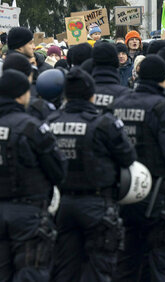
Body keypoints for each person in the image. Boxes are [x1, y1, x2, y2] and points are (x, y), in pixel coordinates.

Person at [49, 68, 136, 281]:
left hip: (62, 204)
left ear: (66, 95)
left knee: (65, 268)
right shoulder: (104, 123)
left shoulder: (51, 121)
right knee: (99, 267)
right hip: (97, 203)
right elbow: (128, 157)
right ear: (91, 94)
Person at [112, 55, 165, 281]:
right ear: (163, 79)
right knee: (163, 266)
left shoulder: (118, 104)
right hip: (158, 197)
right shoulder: (163, 107)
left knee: (127, 265)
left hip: (124, 196)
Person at [0, 69, 66, 281]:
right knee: (32, 271)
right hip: (28, 212)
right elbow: (57, 170)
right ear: (21, 95)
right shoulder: (30, 126)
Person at [90, 42, 131, 113]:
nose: (121, 56)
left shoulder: (84, 93)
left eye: (123, 53)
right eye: (119, 54)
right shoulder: (125, 94)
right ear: (115, 61)